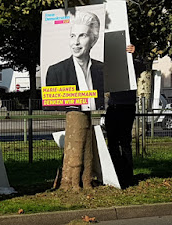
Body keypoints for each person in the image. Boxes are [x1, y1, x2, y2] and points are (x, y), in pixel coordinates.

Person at [46, 11, 104, 111]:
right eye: (73, 36)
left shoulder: (103, 69)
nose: (76, 42)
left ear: (93, 40)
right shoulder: (56, 72)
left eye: (82, 36)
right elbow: (51, 110)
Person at [105, 44, 142, 189]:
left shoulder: (132, 63)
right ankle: (116, 174)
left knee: (125, 142)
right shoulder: (112, 65)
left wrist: (134, 54)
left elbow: (141, 67)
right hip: (113, 107)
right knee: (113, 143)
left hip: (126, 106)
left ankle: (127, 176)